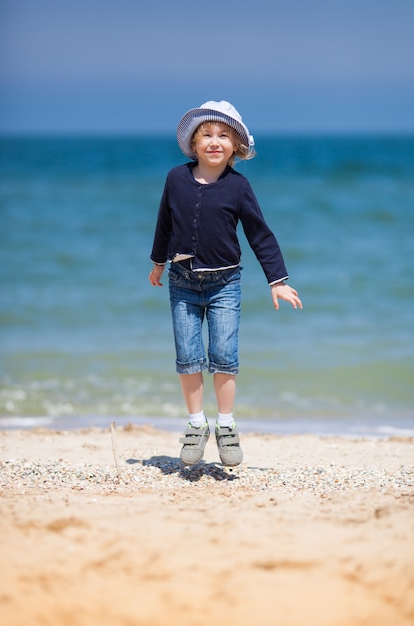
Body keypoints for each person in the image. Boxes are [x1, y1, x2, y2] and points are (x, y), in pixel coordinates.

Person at [149, 100, 302, 468]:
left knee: (224, 358)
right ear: (194, 144)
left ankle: (227, 425)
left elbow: (259, 234)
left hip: (225, 285)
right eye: (206, 135)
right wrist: (157, 262)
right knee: (188, 357)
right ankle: (195, 424)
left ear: (236, 146)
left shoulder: (239, 186)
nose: (214, 141)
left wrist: (276, 280)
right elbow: (164, 224)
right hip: (181, 281)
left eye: (223, 136)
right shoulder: (175, 178)